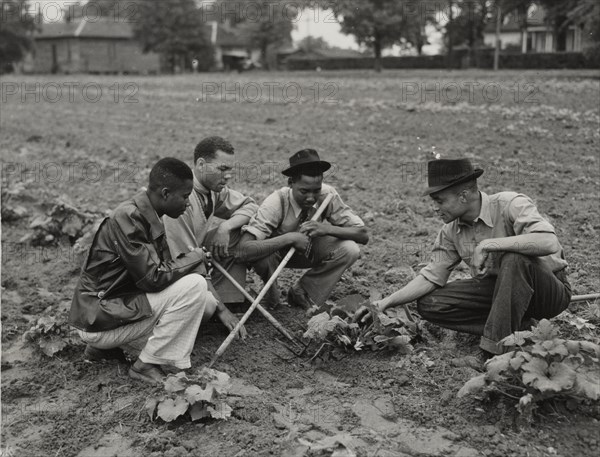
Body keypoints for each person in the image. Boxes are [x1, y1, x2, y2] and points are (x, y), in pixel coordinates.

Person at [354, 158, 571, 358]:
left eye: (439, 201)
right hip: (500, 294)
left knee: (514, 259)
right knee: (430, 303)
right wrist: (385, 302)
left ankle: (495, 351)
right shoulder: (450, 231)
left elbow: (548, 242)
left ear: (464, 196)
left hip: (547, 292)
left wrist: (490, 244)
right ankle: (515, 327)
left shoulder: (509, 203)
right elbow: (431, 276)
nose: (435, 209)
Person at [69, 158, 245, 385]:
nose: (188, 204)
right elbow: (153, 278)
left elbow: (151, 275)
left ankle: (104, 350)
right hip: (98, 319)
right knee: (196, 286)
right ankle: (145, 365)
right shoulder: (129, 218)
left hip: (109, 314)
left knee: (206, 304)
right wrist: (195, 257)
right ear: (165, 193)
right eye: (184, 197)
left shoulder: (146, 215)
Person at [238, 148, 369, 309]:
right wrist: (290, 238)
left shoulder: (327, 195)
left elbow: (363, 234)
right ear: (291, 183)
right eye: (304, 191)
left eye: (316, 191)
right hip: (274, 254)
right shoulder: (276, 203)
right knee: (263, 257)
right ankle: (270, 294)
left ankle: (303, 291)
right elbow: (243, 250)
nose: (311, 198)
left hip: (307, 250)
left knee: (350, 250)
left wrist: (326, 229)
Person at [163, 136, 258, 304]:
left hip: (195, 259)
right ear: (201, 165)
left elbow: (250, 206)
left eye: (230, 169)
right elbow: (184, 260)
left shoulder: (213, 190)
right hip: (170, 272)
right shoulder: (180, 199)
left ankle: (229, 299)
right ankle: (217, 306)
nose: (228, 176)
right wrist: (221, 310)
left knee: (237, 233)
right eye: (222, 168)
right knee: (207, 307)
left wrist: (225, 227)